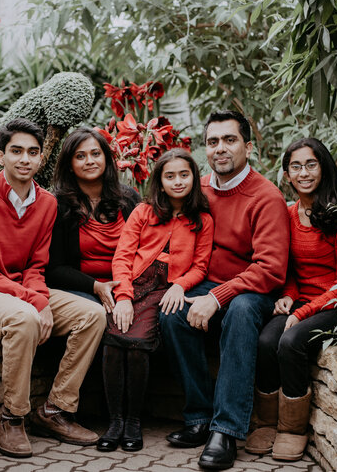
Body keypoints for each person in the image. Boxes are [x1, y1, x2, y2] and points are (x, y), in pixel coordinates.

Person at [0, 118, 106, 459]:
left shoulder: (47, 203)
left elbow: (37, 266)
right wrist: (35, 303)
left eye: (32, 152)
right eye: (16, 151)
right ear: (1, 156)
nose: (25, 159)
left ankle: (55, 410)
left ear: (41, 158)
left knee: (92, 314)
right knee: (24, 318)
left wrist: (37, 298)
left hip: (25, 290)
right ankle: (12, 416)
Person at [159, 111, 290, 470]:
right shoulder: (196, 188)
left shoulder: (266, 197)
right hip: (204, 283)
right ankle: (199, 416)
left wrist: (217, 297)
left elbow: (270, 269)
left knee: (241, 311)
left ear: (248, 147)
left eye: (229, 140)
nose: (220, 148)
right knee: (170, 312)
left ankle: (226, 430)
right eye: (213, 141)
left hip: (253, 290)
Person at [246, 137, 337, 461]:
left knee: (291, 342)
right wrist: (288, 296)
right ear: (286, 175)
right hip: (304, 301)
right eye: (296, 166)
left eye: (311, 164)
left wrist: (302, 313)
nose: (304, 172)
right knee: (267, 340)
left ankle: (292, 428)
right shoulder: (286, 213)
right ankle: (267, 422)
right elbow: (293, 270)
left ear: (323, 168)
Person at [98, 149, 214, 453]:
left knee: (137, 343)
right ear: (160, 182)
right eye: (170, 176)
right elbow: (122, 257)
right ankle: (115, 421)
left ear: (194, 178)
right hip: (134, 286)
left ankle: (134, 421)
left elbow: (200, 266)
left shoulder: (202, 220)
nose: (177, 182)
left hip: (165, 291)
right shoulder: (143, 212)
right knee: (113, 338)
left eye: (184, 175)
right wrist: (122, 296)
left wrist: (180, 286)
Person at [46, 127, 140, 312]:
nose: (90, 161)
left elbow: (145, 250)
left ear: (106, 158)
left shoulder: (129, 198)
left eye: (96, 154)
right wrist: (95, 286)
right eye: (80, 156)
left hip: (128, 286)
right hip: (81, 289)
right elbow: (54, 269)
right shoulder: (57, 205)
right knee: (103, 317)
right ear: (70, 165)